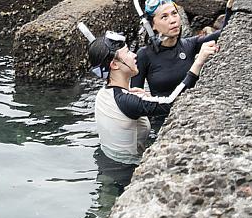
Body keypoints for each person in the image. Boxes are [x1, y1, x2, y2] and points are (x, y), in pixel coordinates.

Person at [88, 29, 217, 164]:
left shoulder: (104, 93)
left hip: (108, 161)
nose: (134, 56)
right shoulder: (126, 100)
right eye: (128, 53)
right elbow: (170, 103)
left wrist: (133, 94)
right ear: (114, 65)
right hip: (126, 169)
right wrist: (198, 63)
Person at [131, 0, 249, 97]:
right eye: (164, 17)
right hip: (161, 115)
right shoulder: (144, 55)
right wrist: (144, 99)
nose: (172, 20)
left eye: (174, 14)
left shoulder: (189, 45)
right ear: (153, 26)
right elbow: (133, 100)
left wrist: (230, 5)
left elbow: (225, 32)